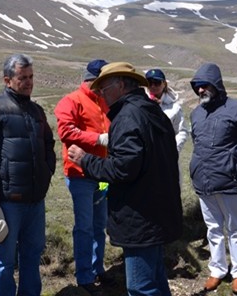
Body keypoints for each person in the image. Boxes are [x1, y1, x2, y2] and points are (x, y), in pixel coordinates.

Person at [67, 62, 183, 296]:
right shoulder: (151, 110)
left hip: (140, 214)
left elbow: (122, 169)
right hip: (156, 209)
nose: (101, 94)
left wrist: (85, 160)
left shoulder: (128, 116)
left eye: (104, 88)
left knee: (141, 287)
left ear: (120, 85)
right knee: (156, 278)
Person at [0, 53, 56, 296]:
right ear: (7, 80)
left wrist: (47, 171)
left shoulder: (37, 111)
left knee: (32, 256)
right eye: (22, 77)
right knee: (4, 261)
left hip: (35, 200)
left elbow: (48, 145)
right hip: (8, 201)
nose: (29, 82)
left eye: (31, 77)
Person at [189, 62, 237, 295]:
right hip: (203, 179)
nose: (200, 90)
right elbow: (196, 143)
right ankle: (217, 269)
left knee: (235, 227)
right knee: (213, 228)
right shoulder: (196, 113)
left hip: (230, 180)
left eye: (205, 85)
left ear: (217, 85)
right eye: (197, 86)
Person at [54, 59, 111, 294]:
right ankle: (84, 276)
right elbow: (65, 130)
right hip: (80, 174)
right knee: (85, 227)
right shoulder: (71, 101)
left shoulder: (104, 100)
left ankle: (97, 268)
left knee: (99, 225)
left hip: (103, 172)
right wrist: (97, 139)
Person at [145, 68, 188, 153]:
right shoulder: (139, 103)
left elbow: (181, 131)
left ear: (164, 84)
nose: (153, 86)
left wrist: (172, 150)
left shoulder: (174, 108)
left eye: (157, 83)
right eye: (149, 83)